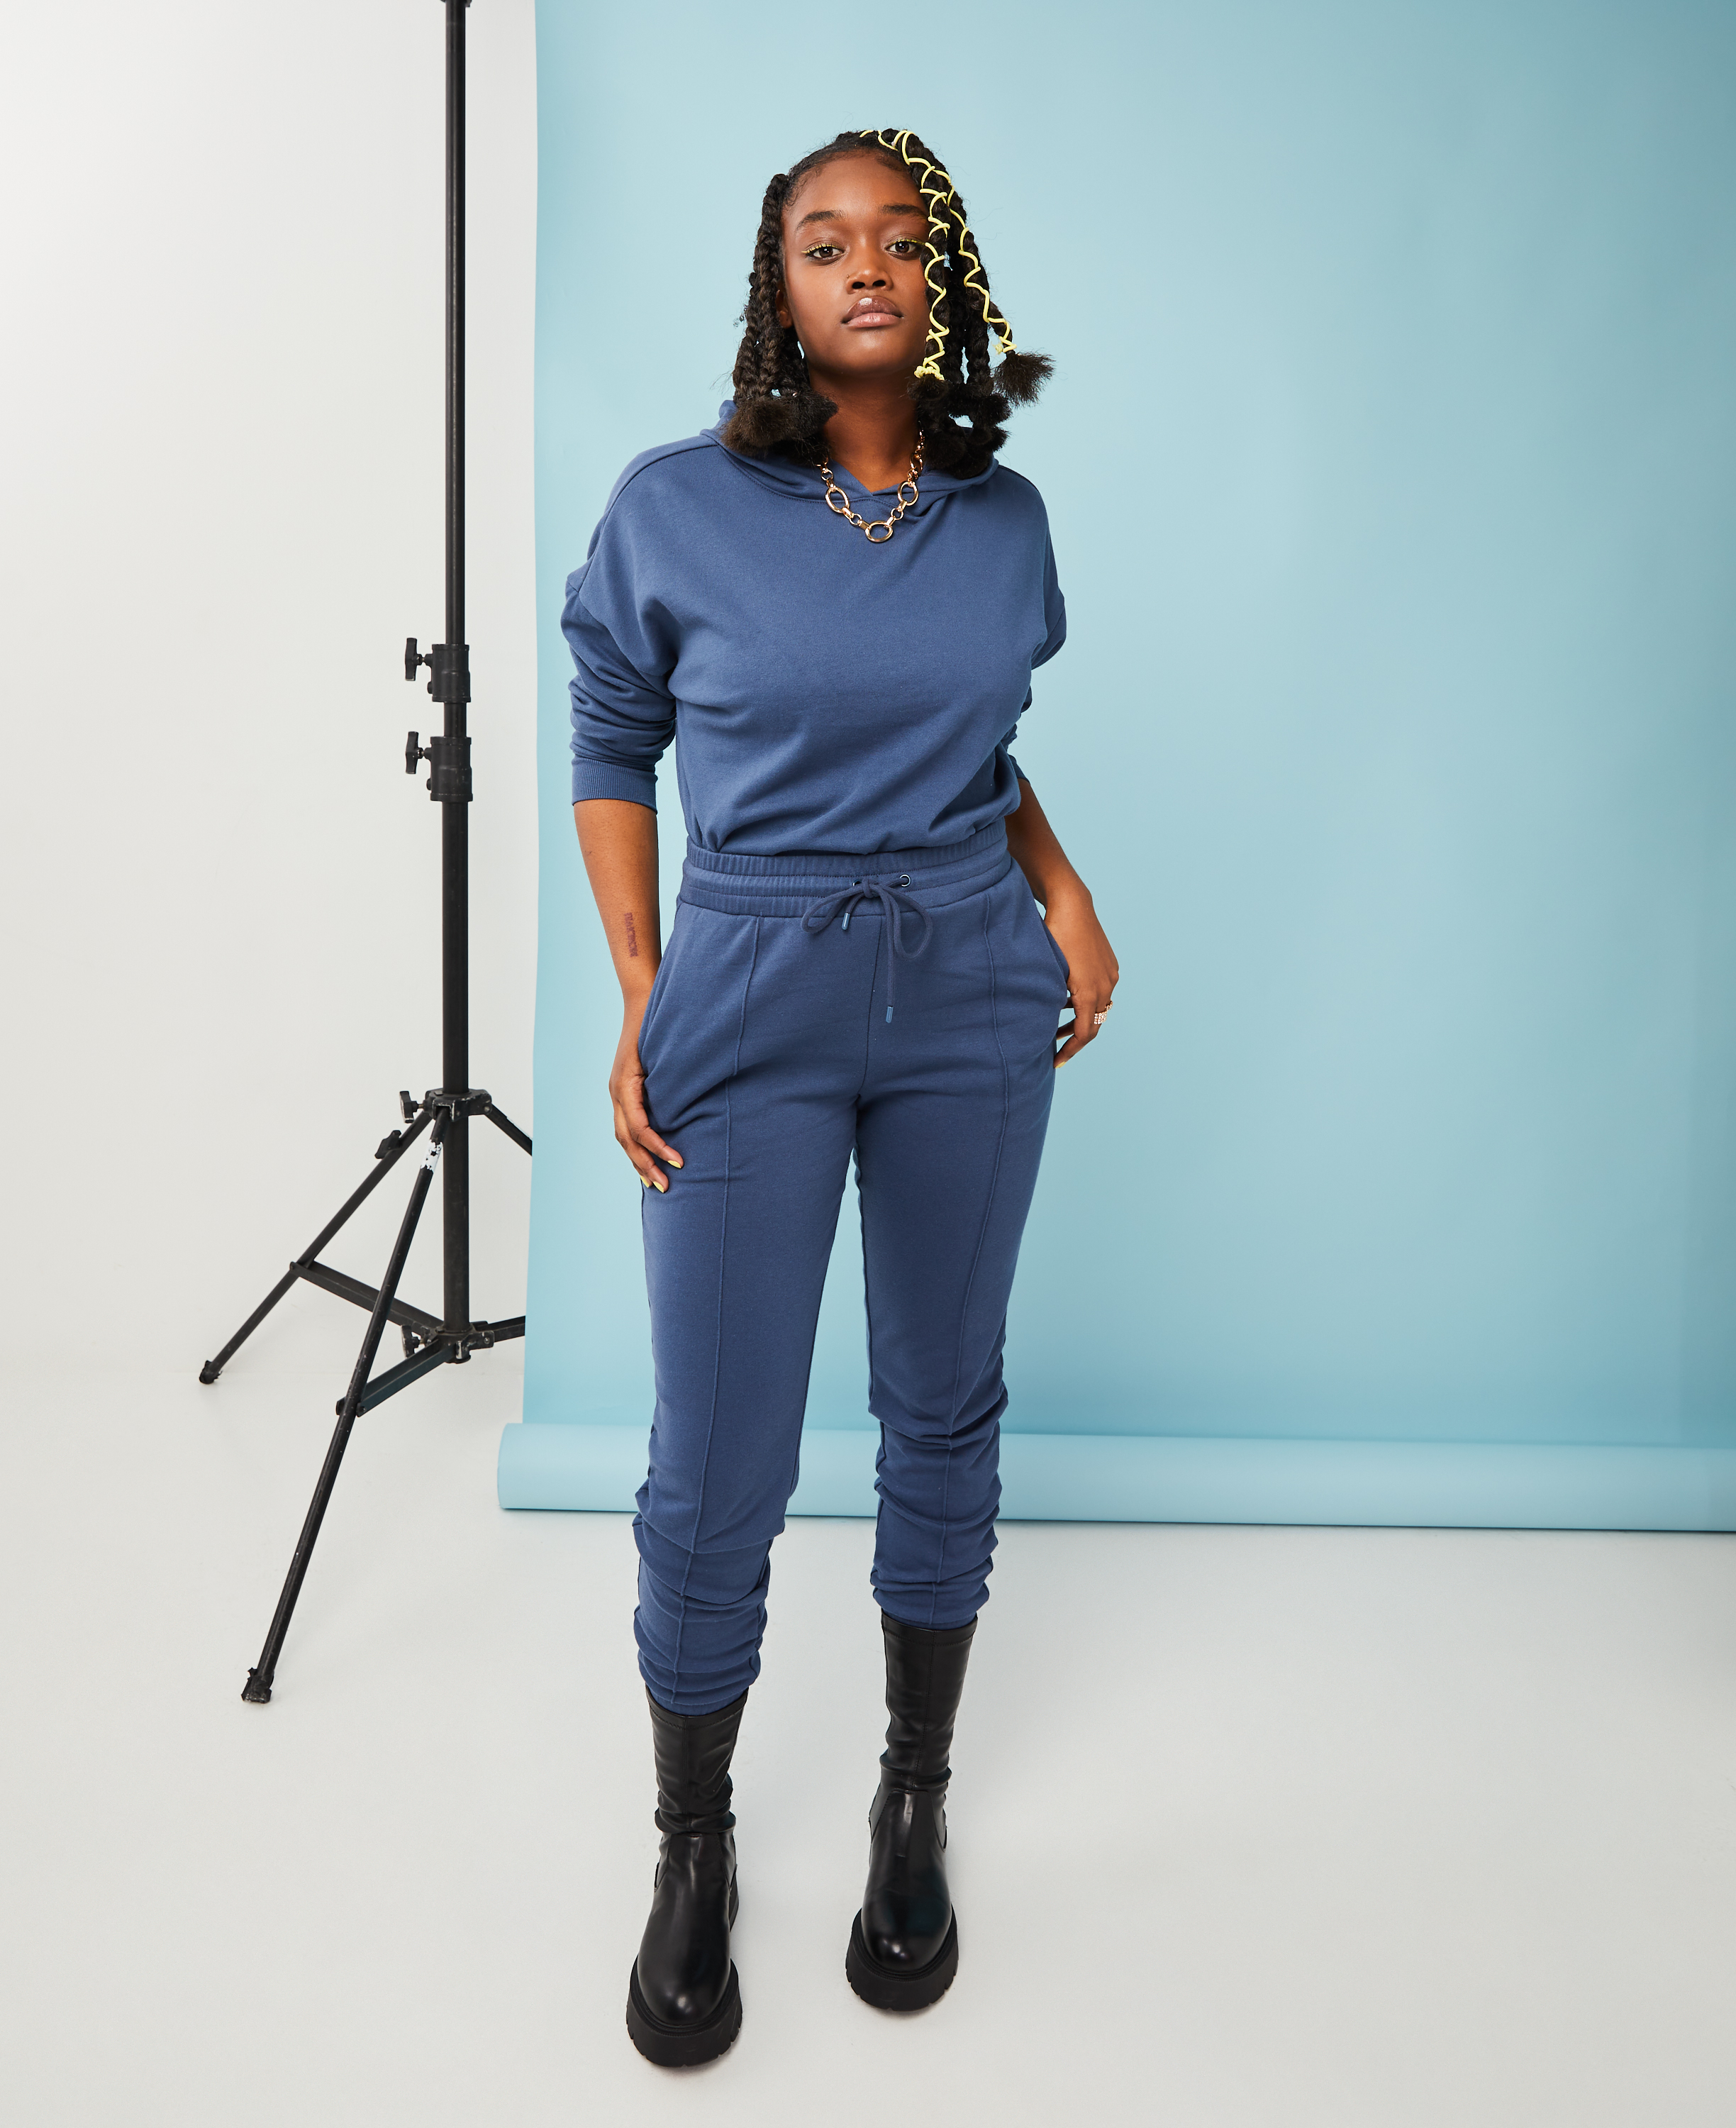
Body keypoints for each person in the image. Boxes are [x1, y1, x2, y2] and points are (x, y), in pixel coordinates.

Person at [562, 128, 1120, 2068]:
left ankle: (911, 1796)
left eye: (896, 237)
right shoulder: (675, 508)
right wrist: (643, 992)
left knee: (941, 1405)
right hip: (750, 989)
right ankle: (693, 1839)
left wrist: (1063, 893)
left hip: (969, 987)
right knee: (719, 1451)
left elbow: (978, 745)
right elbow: (612, 735)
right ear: (778, 289)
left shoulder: (1006, 522)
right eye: (823, 241)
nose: (864, 265)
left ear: (940, 277)